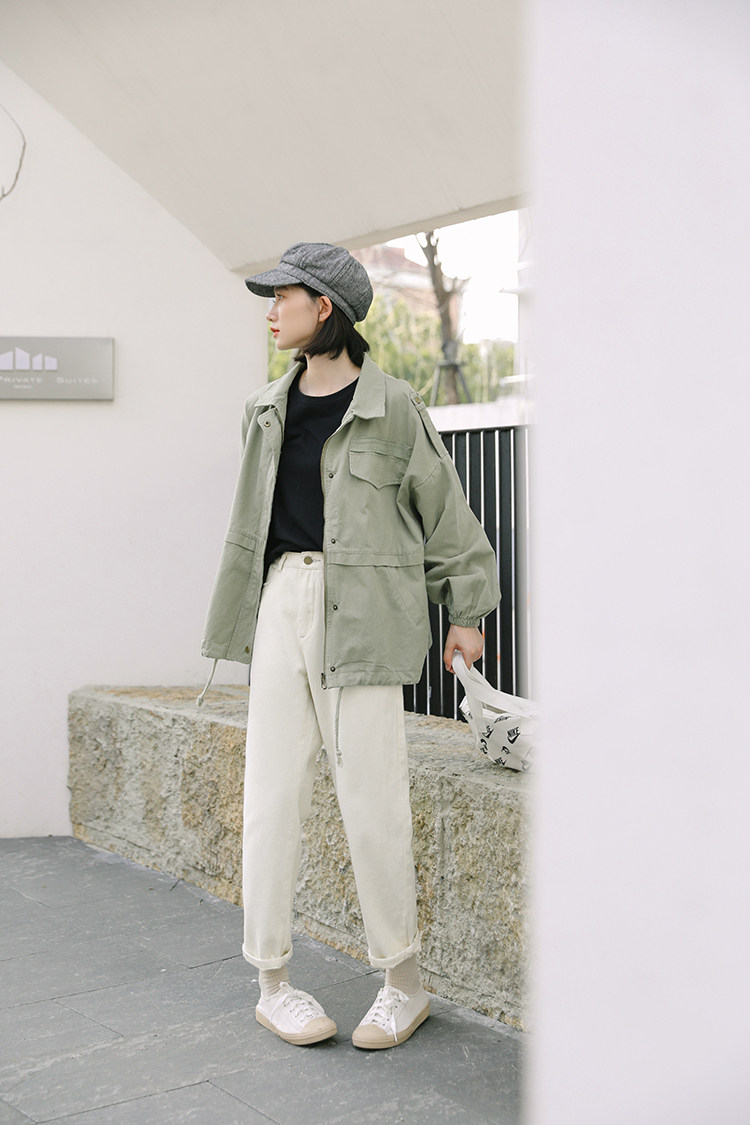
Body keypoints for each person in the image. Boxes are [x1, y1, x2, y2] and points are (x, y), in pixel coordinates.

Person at [200, 242, 500, 1049]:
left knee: (373, 797)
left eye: (283, 296)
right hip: (281, 602)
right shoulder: (265, 409)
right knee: (270, 795)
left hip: (363, 611)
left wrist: (468, 607)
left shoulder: (393, 406)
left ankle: (403, 982)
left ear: (323, 306)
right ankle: (272, 983)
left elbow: (445, 510)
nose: (271, 311)